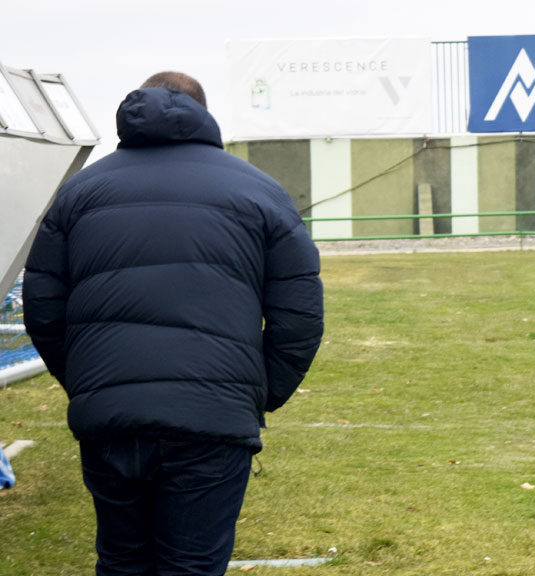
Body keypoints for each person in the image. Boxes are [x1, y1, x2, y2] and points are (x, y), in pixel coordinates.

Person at [23, 72, 324, 576]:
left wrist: (89, 383)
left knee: (121, 561)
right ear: (204, 114)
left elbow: (43, 306)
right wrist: (255, 393)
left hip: (112, 415)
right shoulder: (259, 190)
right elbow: (300, 313)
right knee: (192, 566)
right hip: (212, 418)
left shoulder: (80, 191)